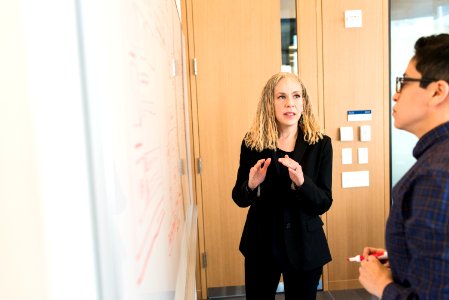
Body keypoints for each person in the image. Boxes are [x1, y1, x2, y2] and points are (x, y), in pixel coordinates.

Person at [358, 34, 449, 299]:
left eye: (404, 82)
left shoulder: (437, 174)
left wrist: (382, 286)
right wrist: (401, 258)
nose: (396, 95)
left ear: (437, 91)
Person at [232, 72, 333, 300]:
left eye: (296, 96)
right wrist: (250, 184)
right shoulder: (252, 143)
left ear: (303, 102)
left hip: (304, 245)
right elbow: (239, 198)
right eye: (281, 97)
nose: (290, 103)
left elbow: (324, 202)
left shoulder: (321, 144)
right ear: (270, 102)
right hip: (262, 243)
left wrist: (302, 183)